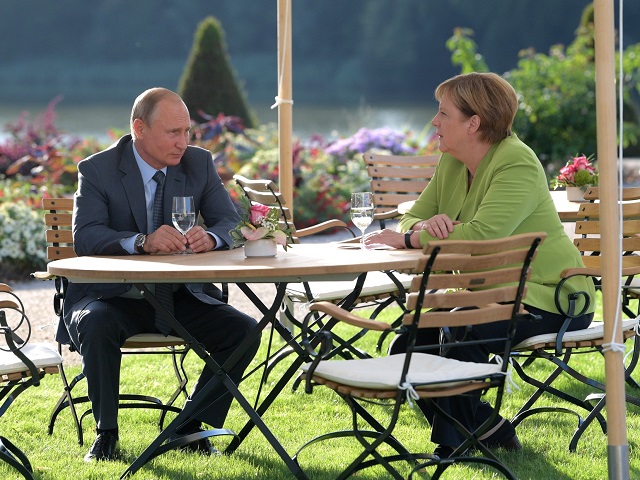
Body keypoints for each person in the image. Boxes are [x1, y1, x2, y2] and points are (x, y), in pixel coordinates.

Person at [364, 72, 596, 457]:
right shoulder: (452, 161)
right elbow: (410, 215)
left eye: (443, 113)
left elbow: (483, 235)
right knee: (408, 341)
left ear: (473, 123)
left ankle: (453, 445)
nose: (434, 122)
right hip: (489, 294)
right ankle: (488, 427)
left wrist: (411, 239)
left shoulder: (517, 162)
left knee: (462, 327)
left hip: (551, 297)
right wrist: (422, 226)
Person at [58, 87, 260, 462]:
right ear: (139, 128)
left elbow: (232, 223)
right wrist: (141, 241)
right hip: (113, 298)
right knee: (96, 323)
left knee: (244, 331)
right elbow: (85, 235)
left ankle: (190, 427)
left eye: (187, 131)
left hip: (179, 297)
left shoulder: (198, 163)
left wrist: (211, 238)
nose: (183, 142)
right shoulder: (98, 169)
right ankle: (106, 434)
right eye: (173, 132)